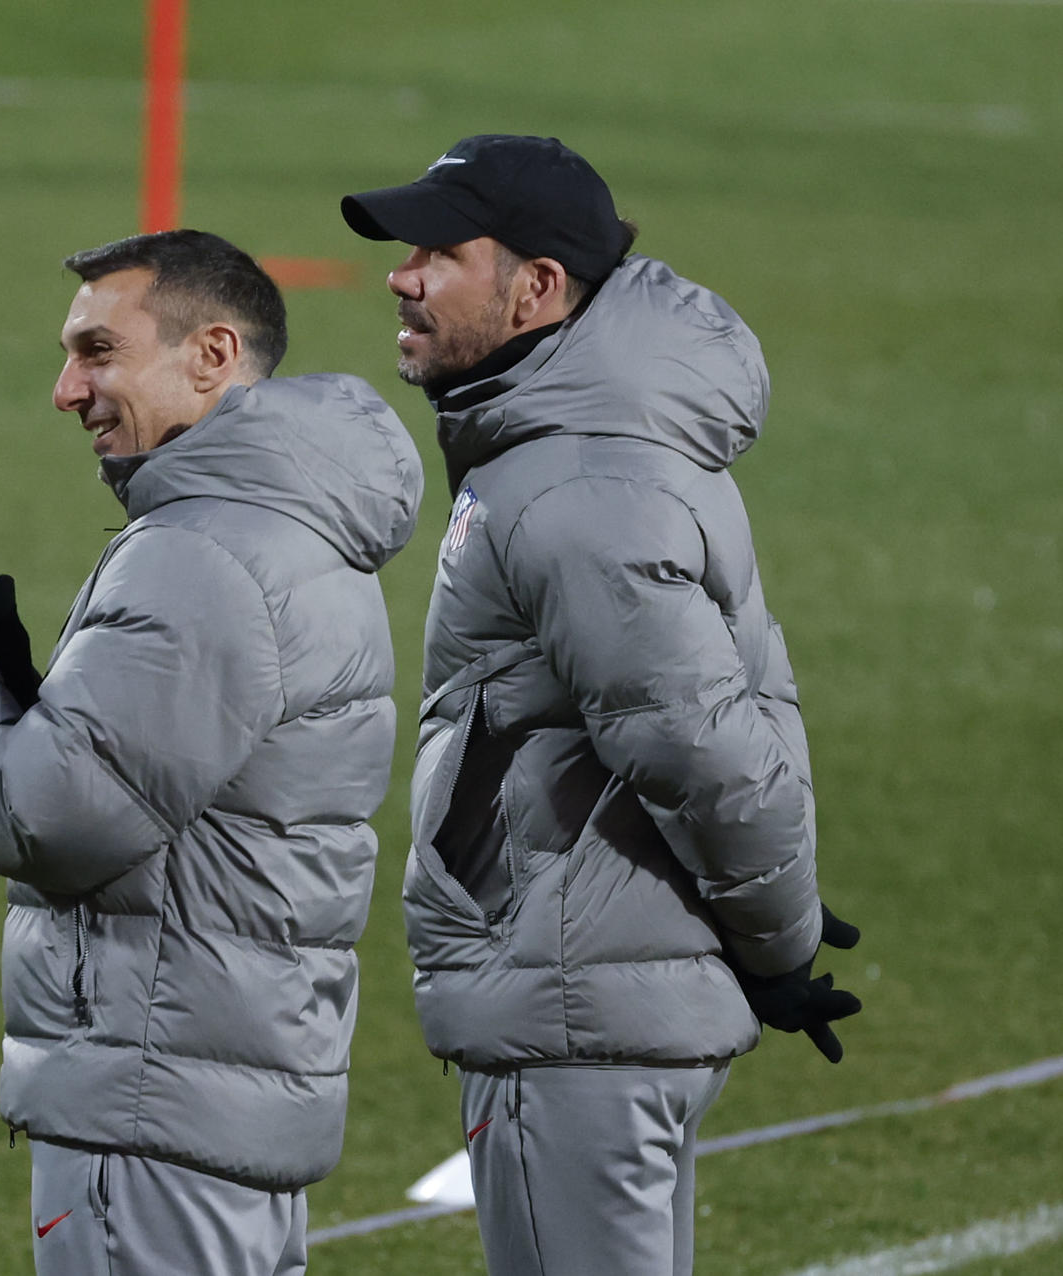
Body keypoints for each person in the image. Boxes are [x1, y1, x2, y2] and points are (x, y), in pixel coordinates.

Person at [0, 229, 422, 1275]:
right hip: (223, 1093)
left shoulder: (203, 554)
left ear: (211, 355)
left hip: (155, 1108)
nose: (64, 389)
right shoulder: (296, 528)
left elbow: (41, 818)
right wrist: (43, 707)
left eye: (97, 351)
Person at [338, 134, 863, 1276]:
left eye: (439, 252)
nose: (401, 274)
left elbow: (699, 743)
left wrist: (778, 940)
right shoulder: (585, 445)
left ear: (536, 288)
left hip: (577, 1012)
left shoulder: (573, 481)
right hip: (603, 985)